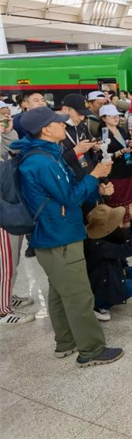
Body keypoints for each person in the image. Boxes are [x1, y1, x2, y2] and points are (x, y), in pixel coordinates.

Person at [12, 106, 123, 366]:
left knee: (60, 292)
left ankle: (65, 342)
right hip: (59, 236)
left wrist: (94, 184)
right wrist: (94, 176)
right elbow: (70, 197)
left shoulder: (45, 154)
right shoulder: (42, 162)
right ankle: (91, 350)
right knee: (79, 295)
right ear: (46, 130)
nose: (65, 125)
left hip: (50, 235)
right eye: (59, 123)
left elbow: (67, 188)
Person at [0, 110, 35, 325]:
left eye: (7, 116)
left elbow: (12, 151)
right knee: (5, 263)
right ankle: (3, 311)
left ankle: (7, 296)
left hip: (11, 207)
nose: (5, 121)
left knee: (12, 260)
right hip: (3, 213)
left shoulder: (7, 138)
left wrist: (8, 130)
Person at [84, 204, 132, 321]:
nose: (120, 221)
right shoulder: (97, 246)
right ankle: (99, 306)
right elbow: (130, 249)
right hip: (101, 283)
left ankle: (117, 292)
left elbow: (126, 238)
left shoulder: (105, 236)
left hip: (111, 272)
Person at [100, 105, 132, 226]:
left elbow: (127, 145)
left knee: (129, 202)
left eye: (117, 115)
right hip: (115, 174)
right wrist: (120, 152)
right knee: (117, 204)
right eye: (111, 116)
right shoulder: (104, 134)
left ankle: (129, 228)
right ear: (104, 118)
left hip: (128, 170)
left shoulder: (121, 130)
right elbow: (103, 156)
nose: (115, 118)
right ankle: (119, 230)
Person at [60, 93, 101, 180]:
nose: (82, 118)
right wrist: (75, 151)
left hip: (88, 175)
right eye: (79, 114)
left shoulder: (82, 126)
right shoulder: (55, 129)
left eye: (84, 114)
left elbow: (90, 147)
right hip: (71, 180)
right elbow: (55, 162)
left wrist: (94, 147)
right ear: (65, 109)